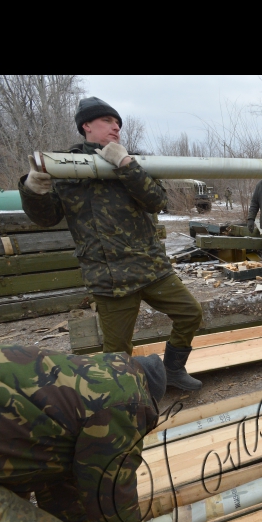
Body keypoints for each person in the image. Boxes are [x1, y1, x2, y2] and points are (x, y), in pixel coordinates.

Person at [19, 97, 203, 391]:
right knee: (117, 354)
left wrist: (125, 164)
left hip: (151, 268)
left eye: (118, 123)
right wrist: (32, 190)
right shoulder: (67, 166)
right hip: (110, 278)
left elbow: (157, 202)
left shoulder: (135, 162)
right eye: (107, 121)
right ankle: (122, 402)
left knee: (191, 313)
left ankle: (173, 370)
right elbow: (47, 218)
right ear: (86, 126)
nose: (115, 127)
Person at [0, 345, 167, 522]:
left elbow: (56, 473)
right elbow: (109, 484)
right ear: (151, 398)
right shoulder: (125, 402)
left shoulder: (92, 373)